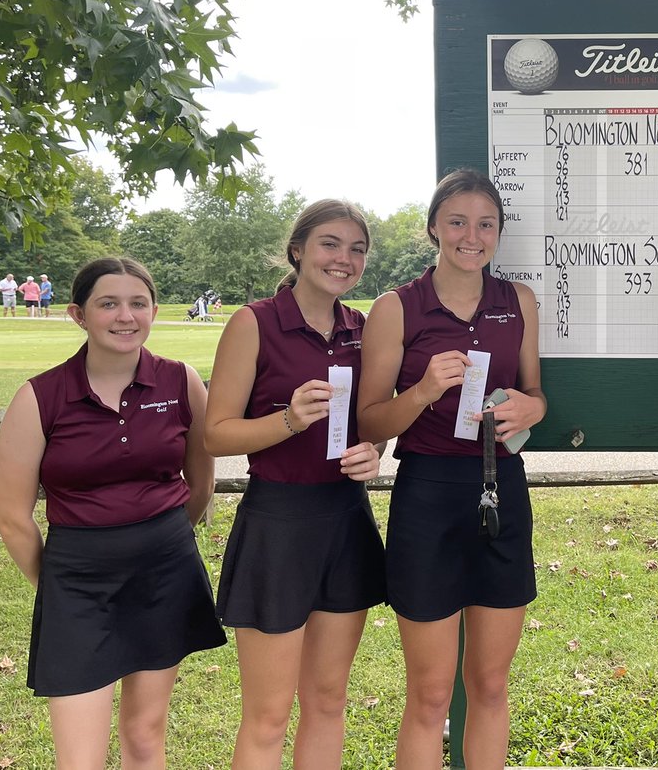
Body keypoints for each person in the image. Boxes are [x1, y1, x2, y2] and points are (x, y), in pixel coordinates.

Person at [0, 257, 225, 766]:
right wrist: (58, 585)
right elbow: (12, 517)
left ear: (154, 311)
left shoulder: (181, 381)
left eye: (138, 303)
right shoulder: (39, 397)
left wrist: (161, 541)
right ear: (78, 314)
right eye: (109, 304)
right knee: (81, 757)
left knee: (145, 736)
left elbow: (200, 482)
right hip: (77, 583)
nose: (126, 316)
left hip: (166, 573)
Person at [358, 169, 546, 770]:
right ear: (433, 228)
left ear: (499, 233)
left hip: (500, 490)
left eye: (485, 224)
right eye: (458, 222)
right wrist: (421, 391)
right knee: (431, 693)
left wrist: (532, 407)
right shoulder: (396, 307)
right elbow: (370, 422)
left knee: (490, 685)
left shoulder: (517, 301)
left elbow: (536, 393)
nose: (472, 236)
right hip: (428, 496)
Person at [204, 199, 386, 768]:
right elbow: (215, 435)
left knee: (329, 700)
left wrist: (374, 450)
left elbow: (378, 420)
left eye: (357, 249)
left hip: (345, 519)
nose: (344, 259)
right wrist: (288, 419)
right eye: (331, 244)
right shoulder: (254, 322)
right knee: (268, 713)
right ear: (298, 249)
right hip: (278, 524)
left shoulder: (366, 329)